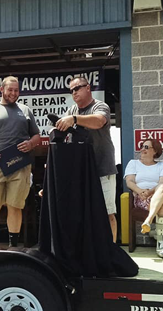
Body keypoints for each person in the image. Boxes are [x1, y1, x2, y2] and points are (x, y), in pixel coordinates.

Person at [0, 76, 40, 247]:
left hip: (20, 165)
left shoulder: (25, 110)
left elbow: (37, 136)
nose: (13, 93)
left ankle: (13, 246)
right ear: (1, 89)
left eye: (16, 90)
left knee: (15, 206)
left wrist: (31, 143)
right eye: (10, 89)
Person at [55, 76, 118, 242]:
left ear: (88, 88)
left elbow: (99, 121)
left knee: (107, 213)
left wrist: (74, 120)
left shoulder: (99, 106)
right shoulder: (71, 111)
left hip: (102, 168)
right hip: (80, 172)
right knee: (81, 214)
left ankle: (111, 254)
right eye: (71, 90)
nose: (74, 93)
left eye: (77, 88)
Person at [124, 139, 163, 258]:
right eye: (142, 146)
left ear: (155, 151)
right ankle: (162, 245)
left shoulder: (162, 166)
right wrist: (140, 191)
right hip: (142, 197)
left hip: (159, 193)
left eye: (146, 147)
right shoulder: (133, 163)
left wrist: (150, 192)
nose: (142, 149)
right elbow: (129, 182)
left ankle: (149, 220)